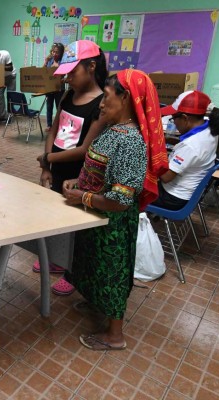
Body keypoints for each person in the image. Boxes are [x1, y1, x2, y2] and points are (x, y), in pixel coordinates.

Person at [62, 69, 167, 351]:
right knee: (94, 266)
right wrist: (81, 181)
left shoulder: (131, 142)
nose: (101, 103)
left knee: (112, 272)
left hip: (114, 225)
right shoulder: (113, 130)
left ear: (126, 98)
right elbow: (100, 168)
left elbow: (120, 200)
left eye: (107, 97)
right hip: (97, 217)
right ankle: (98, 304)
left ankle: (115, 335)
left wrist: (82, 197)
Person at [35, 40, 107, 296]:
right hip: (57, 170)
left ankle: (72, 272)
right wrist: (47, 164)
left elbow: (86, 149)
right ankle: (56, 258)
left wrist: (48, 159)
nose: (67, 78)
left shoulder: (101, 104)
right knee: (55, 219)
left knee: (75, 226)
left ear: (91, 66)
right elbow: (53, 129)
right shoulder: (68, 96)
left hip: (79, 175)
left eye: (72, 72)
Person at [152, 91, 219, 210]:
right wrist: (167, 140)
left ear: (185, 118)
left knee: (129, 188)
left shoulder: (191, 146)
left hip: (173, 197)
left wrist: (152, 154)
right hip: (189, 193)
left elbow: (165, 177)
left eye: (173, 118)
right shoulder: (210, 129)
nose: (173, 122)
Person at [43, 42, 65, 131]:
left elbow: (63, 74)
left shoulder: (63, 61)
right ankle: (49, 125)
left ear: (61, 53)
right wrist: (45, 62)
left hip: (59, 88)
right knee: (49, 106)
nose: (54, 54)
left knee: (59, 107)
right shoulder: (50, 60)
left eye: (57, 52)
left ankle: (59, 126)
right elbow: (43, 72)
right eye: (53, 51)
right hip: (49, 87)